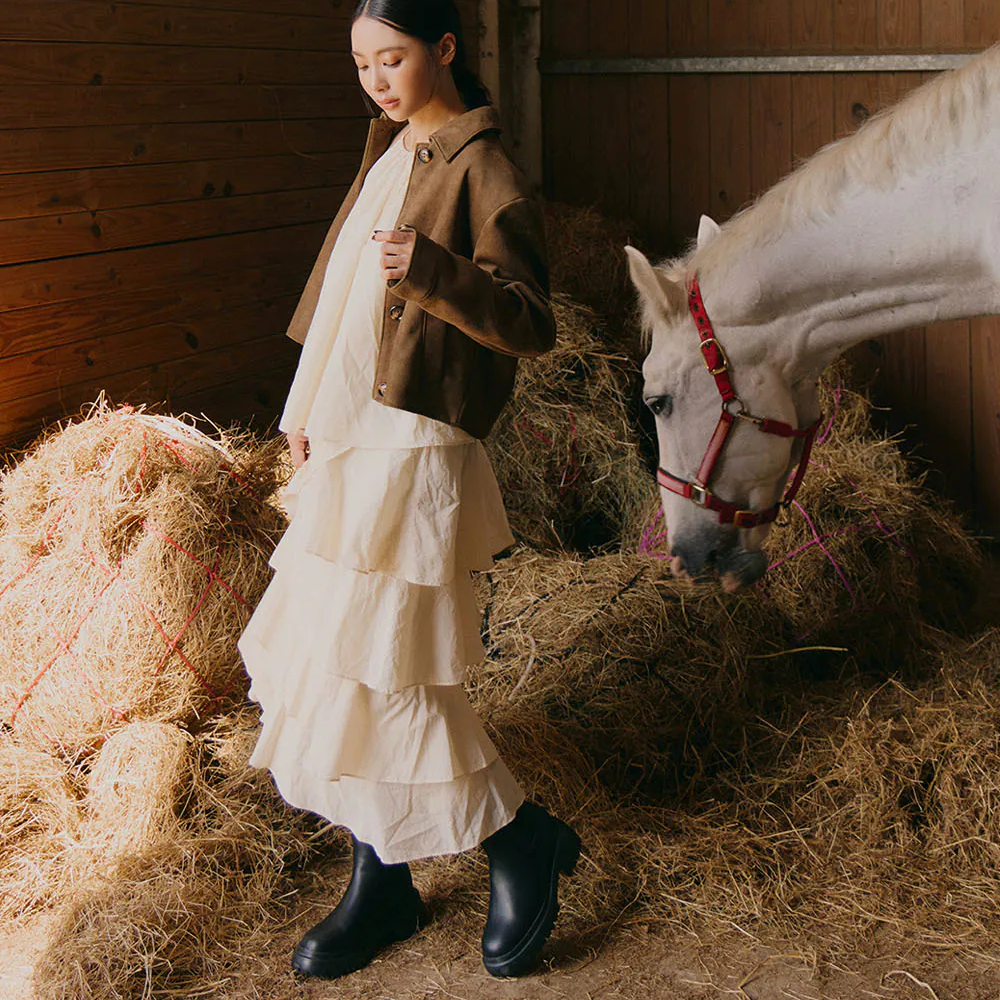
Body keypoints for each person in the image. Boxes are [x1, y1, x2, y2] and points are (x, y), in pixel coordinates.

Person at [236, 0, 581, 982]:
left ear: (444, 48)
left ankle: (517, 836)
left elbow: (530, 323)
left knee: (390, 665)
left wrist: (433, 270)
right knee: (336, 661)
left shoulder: (483, 169)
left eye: (391, 59)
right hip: (351, 441)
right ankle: (382, 874)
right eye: (361, 65)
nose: (376, 81)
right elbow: (343, 305)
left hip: (414, 445)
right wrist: (306, 406)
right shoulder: (390, 153)